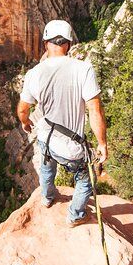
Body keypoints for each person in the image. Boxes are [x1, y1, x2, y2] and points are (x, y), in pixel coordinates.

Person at [16, 19, 108, 227]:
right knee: (85, 180)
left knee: (47, 170)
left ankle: (47, 198)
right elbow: (95, 109)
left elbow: (23, 109)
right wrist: (102, 143)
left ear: (45, 43)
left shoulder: (34, 74)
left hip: (46, 138)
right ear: (68, 44)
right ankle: (75, 215)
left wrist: (25, 123)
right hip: (72, 147)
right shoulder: (83, 69)